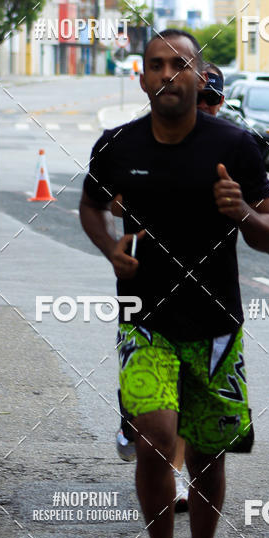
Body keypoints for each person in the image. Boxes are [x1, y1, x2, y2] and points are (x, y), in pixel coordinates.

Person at [79, 30, 269, 538]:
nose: (167, 73)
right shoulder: (116, 146)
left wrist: (241, 211)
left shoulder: (237, 147)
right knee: (153, 438)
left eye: (180, 64)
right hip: (142, 319)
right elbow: (91, 206)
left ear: (201, 77)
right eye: (156, 64)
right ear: (142, 78)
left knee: (209, 457)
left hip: (216, 326)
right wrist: (110, 250)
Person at [113, 61, 227, 514]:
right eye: (200, 101)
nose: (205, 109)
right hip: (143, 284)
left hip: (203, 295)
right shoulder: (139, 142)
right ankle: (130, 419)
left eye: (211, 102)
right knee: (143, 389)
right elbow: (109, 199)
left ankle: (176, 477)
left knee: (182, 388)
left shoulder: (227, 149)